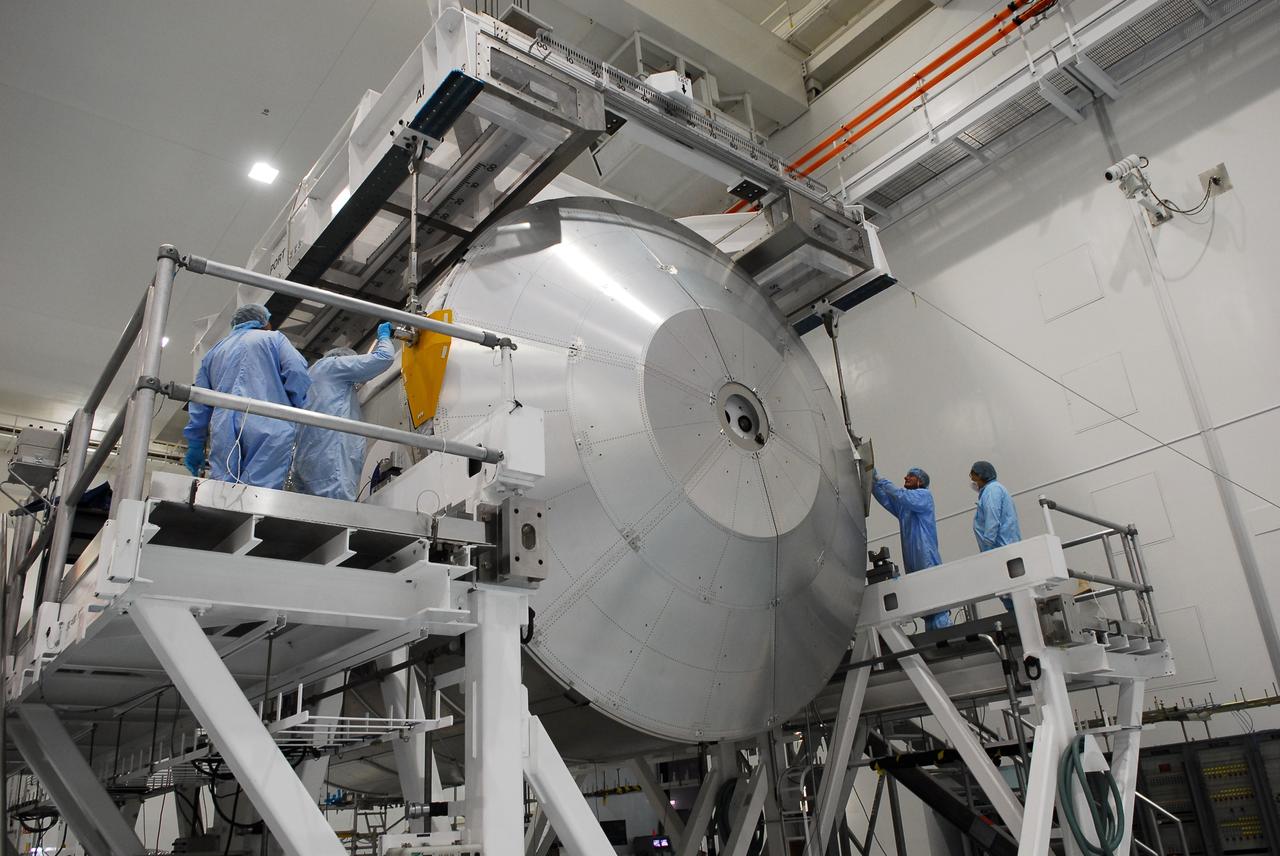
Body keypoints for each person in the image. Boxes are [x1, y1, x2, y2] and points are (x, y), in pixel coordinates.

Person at [182, 303, 311, 489]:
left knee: (223, 492)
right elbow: (297, 371)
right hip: (269, 422)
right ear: (264, 322)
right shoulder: (274, 339)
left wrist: (195, 442)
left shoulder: (213, 353)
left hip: (224, 429)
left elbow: (200, 400)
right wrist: (297, 407)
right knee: (260, 492)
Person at [291, 323, 396, 501]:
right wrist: (384, 337)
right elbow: (383, 357)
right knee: (335, 517)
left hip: (307, 464)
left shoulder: (311, 381)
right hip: (331, 461)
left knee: (312, 514)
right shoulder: (333, 365)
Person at [871, 466, 951, 631]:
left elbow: (900, 495)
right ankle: (933, 632)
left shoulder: (924, 496)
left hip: (926, 555)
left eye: (911, 476)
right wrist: (870, 479)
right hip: (913, 559)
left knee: (934, 595)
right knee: (922, 599)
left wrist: (880, 479)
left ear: (920, 481)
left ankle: (945, 630)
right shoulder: (904, 507)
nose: (906, 477)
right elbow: (886, 499)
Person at [970, 460, 1022, 610]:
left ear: (981, 475)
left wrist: (988, 544)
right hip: (1001, 549)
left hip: (1000, 549)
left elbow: (992, 518)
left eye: (974, 477)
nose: (972, 481)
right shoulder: (992, 490)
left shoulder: (992, 490)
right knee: (1009, 595)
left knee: (1014, 596)